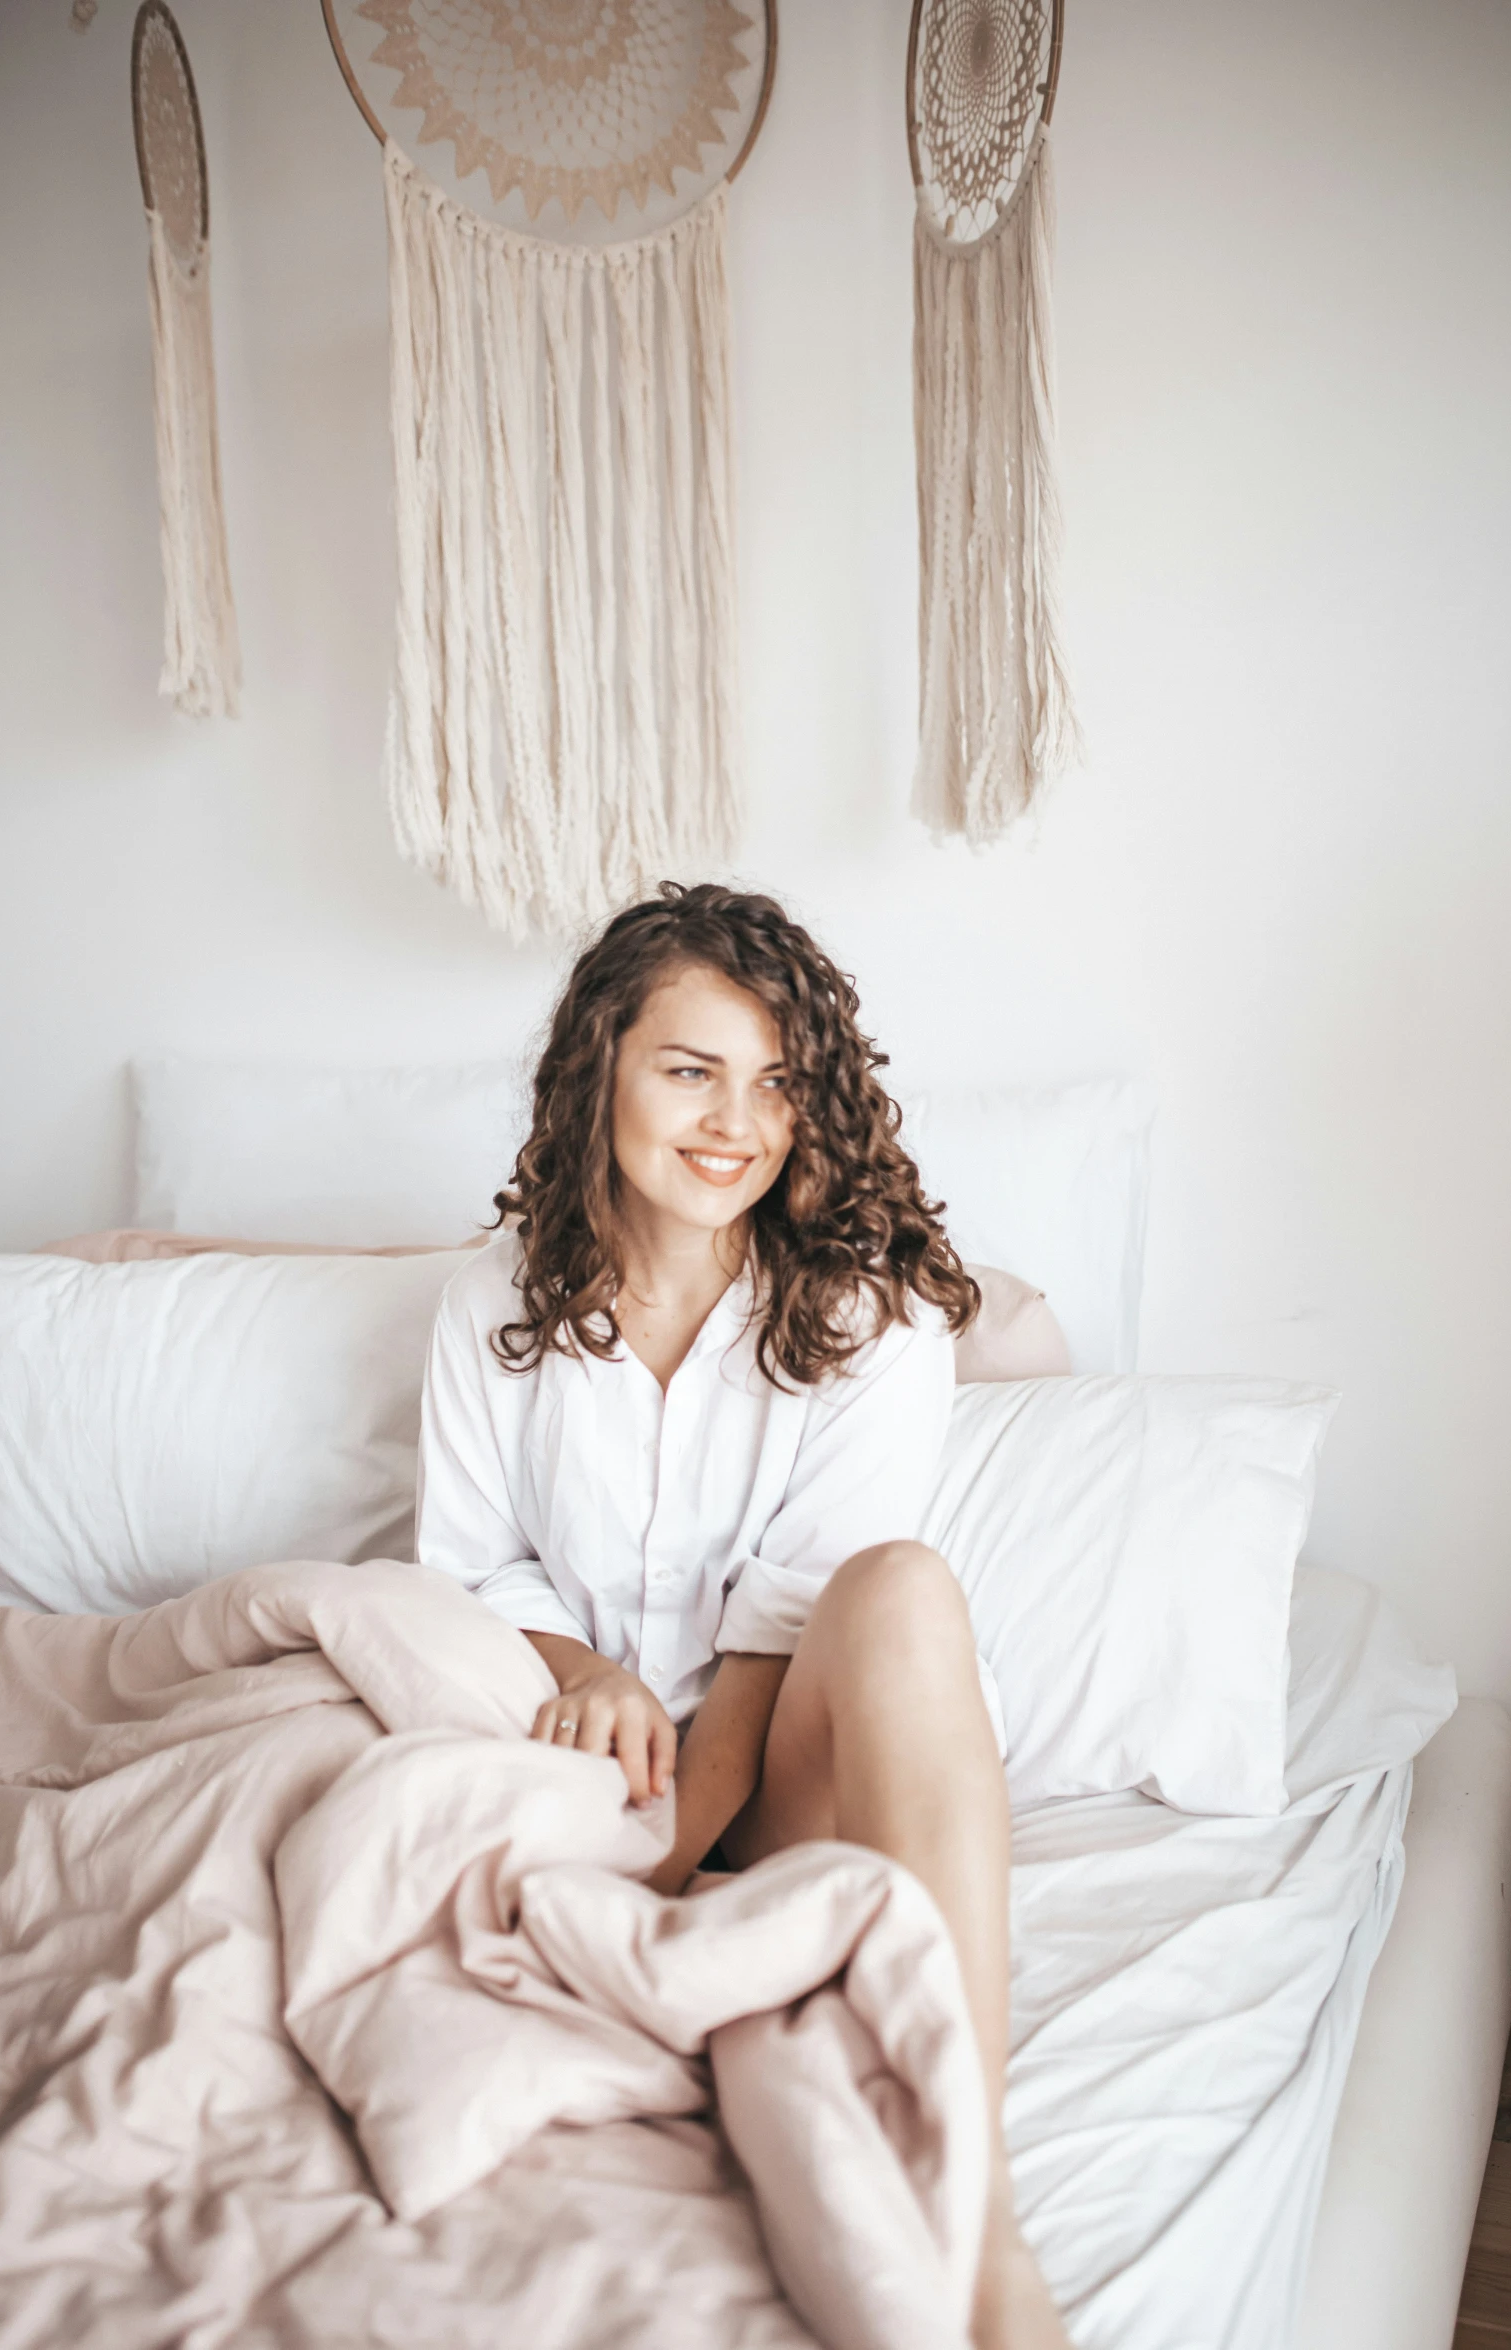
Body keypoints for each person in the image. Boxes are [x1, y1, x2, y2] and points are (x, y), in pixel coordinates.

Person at [417, 882, 1069, 2350]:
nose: (734, 1120)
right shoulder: (489, 1304)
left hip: (797, 1774)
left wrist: (652, 1873)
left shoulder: (872, 1318)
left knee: (897, 1584)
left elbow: (779, 1653)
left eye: (775, 1081)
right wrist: (582, 1663)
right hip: (590, 1767)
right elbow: (468, 1564)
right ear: (603, 1068)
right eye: (690, 1068)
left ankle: (984, 2214)